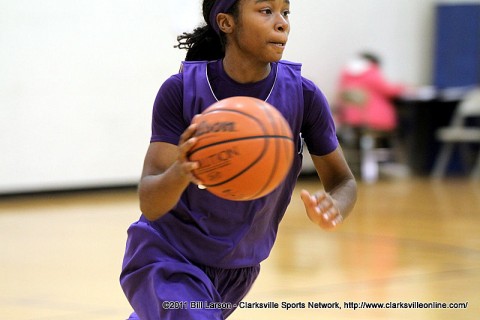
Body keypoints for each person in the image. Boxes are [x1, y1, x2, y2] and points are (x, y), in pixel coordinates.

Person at [120, 1, 357, 319]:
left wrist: (335, 207)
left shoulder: (304, 96)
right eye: (265, 10)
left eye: (285, 13)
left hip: (238, 268)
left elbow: (343, 181)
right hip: (166, 253)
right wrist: (181, 171)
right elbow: (150, 202)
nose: (281, 23)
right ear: (226, 22)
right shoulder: (181, 91)